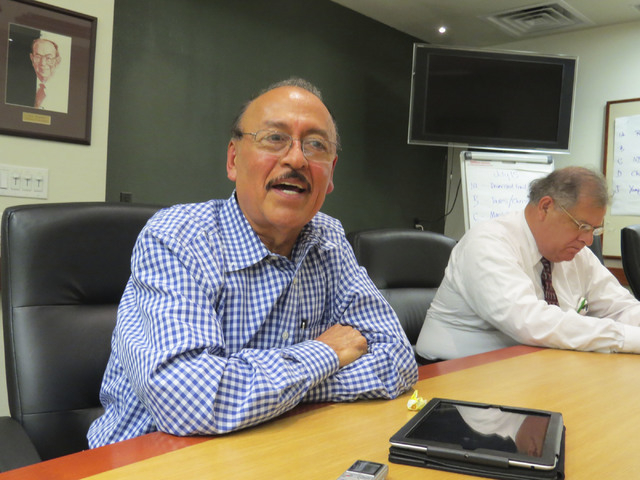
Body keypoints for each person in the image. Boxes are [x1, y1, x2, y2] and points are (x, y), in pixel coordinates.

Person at [88, 78, 418, 447]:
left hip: (268, 448)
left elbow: (398, 361)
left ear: (330, 175)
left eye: (316, 145)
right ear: (233, 160)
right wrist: (326, 353)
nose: (296, 159)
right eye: (275, 138)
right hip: (147, 458)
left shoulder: (328, 239)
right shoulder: (177, 238)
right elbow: (189, 401)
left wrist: (273, 391)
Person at [416, 166, 640, 360]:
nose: (588, 240)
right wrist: (624, 337)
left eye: (594, 230)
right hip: (451, 372)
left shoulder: (576, 254)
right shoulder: (488, 243)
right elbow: (531, 322)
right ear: (546, 207)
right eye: (582, 226)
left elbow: (621, 307)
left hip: (527, 367)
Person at [29, 37, 68, 113]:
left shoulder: (64, 93)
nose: (43, 63)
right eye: (38, 57)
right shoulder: (21, 86)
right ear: (32, 58)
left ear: (57, 61)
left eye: (48, 58)